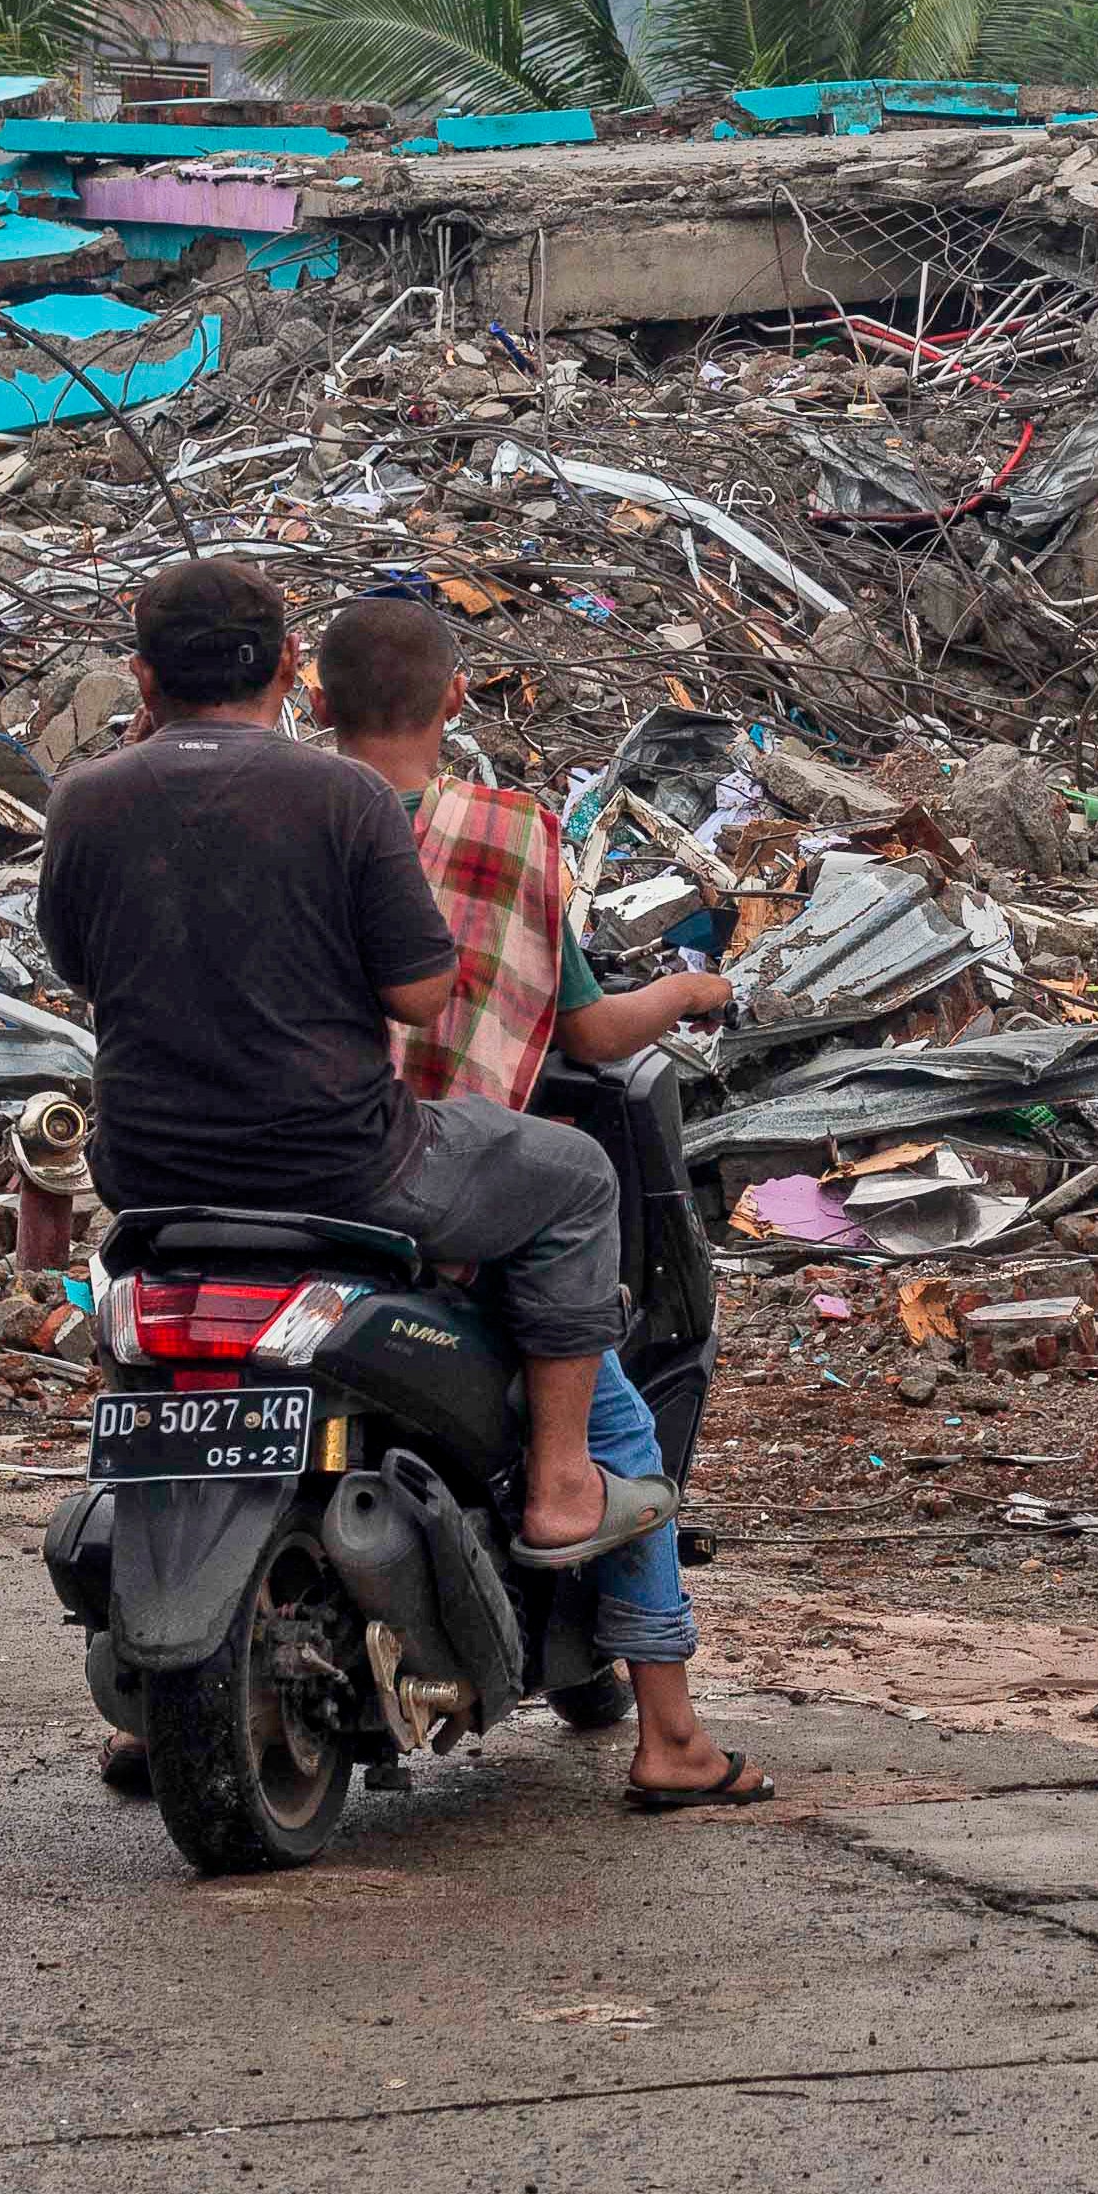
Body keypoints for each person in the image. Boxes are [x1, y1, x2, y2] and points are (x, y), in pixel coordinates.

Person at [28, 559, 666, 1585]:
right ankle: (558, 1481)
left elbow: (78, 968)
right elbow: (421, 997)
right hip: (343, 1168)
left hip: (148, 1177)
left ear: (142, 678)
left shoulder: (85, 800)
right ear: (289, 665)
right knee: (580, 1177)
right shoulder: (347, 795)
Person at [315, 593, 772, 1811]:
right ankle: (671, 1733)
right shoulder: (512, 837)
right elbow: (580, 1027)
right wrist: (688, 992)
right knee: (618, 1431)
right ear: (455, 698)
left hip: (269, 1173)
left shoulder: (281, 821)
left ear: (318, 703)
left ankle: (171, 1713)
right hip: (424, 1185)